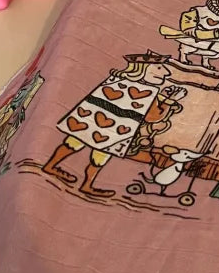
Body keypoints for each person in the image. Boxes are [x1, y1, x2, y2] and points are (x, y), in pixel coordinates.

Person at [43, 51, 187, 199]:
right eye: (159, 68)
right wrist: (170, 101)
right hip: (114, 131)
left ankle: (51, 165)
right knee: (100, 156)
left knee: (74, 142)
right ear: (143, 68)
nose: (166, 72)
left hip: (89, 122)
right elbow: (153, 117)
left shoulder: (115, 80)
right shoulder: (148, 91)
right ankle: (86, 185)